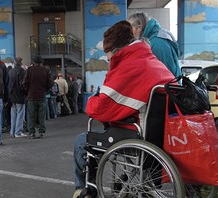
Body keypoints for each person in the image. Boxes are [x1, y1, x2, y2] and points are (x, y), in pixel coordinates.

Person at [73, 20, 175, 197]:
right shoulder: (153, 63)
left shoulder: (129, 66)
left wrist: (91, 103)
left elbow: (99, 109)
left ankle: (84, 190)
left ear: (117, 49)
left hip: (136, 135)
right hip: (160, 136)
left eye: (108, 52)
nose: (107, 58)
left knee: (82, 141)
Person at [128, 12, 182, 78]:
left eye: (130, 29)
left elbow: (164, 75)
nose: (129, 33)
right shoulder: (154, 38)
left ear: (139, 28)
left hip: (167, 87)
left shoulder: (157, 43)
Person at [22, 56, 53, 139]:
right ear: (42, 62)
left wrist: (28, 91)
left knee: (31, 115)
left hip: (31, 96)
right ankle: (41, 132)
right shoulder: (46, 70)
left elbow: (24, 83)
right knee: (41, 116)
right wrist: (45, 90)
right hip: (42, 96)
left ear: (34, 62)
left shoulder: (29, 70)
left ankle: (31, 133)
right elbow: (50, 83)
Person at [9, 57, 27, 138]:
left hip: (12, 96)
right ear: (21, 63)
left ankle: (12, 131)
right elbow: (23, 85)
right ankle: (18, 132)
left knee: (13, 114)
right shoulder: (22, 71)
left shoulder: (10, 71)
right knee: (20, 114)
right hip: (20, 96)